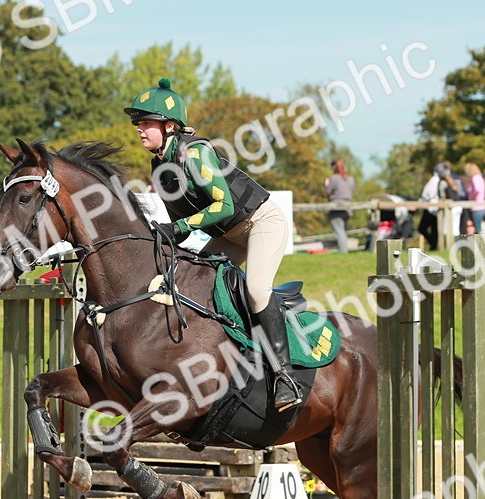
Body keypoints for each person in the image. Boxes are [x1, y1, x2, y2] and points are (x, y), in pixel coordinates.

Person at [125, 78, 300, 411]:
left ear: (170, 125)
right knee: (189, 286)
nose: (139, 128)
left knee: (257, 290)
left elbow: (224, 206)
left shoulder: (196, 153)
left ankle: (285, 377)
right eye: (138, 123)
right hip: (227, 236)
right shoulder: (160, 167)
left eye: (146, 122)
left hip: (260, 223)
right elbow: (182, 229)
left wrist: (177, 227)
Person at [323, 159, 354, 253]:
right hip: (347, 207)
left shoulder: (333, 178)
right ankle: (343, 251)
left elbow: (328, 192)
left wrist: (326, 184)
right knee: (343, 231)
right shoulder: (350, 179)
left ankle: (343, 252)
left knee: (339, 232)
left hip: (336, 207)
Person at [416, 162, 450, 248]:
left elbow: (428, 194)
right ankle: (434, 245)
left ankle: (433, 244)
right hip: (433, 207)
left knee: (424, 228)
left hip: (431, 207)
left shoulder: (435, 180)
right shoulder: (437, 180)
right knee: (433, 228)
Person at [463, 163, 485, 236]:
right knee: (480, 228)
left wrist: (472, 198)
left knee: (478, 229)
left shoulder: (475, 178)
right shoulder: (480, 178)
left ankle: (481, 246)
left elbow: (477, 190)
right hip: (482, 206)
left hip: (476, 207)